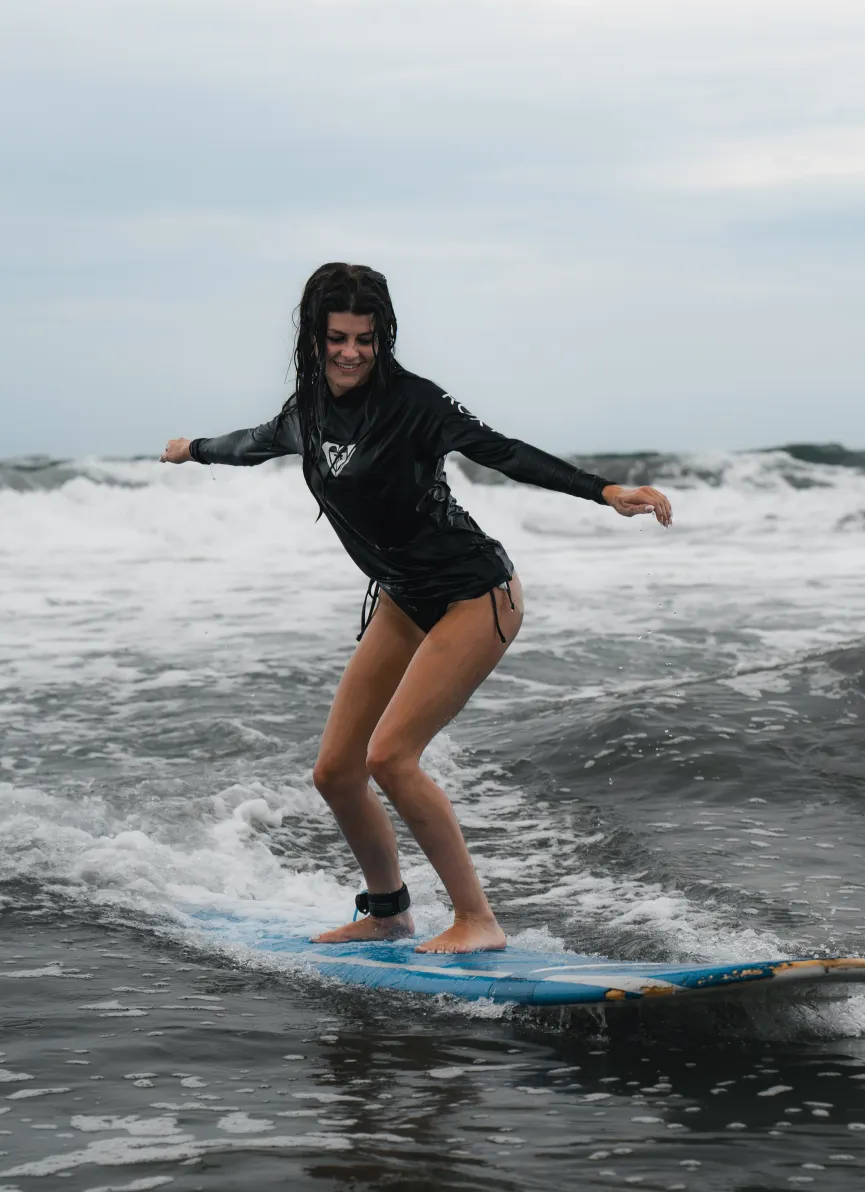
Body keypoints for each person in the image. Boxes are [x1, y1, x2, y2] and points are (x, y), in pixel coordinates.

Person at [161, 262, 672, 954]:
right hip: (403, 597)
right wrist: (193, 451)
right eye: (337, 338)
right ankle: (388, 913)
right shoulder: (305, 413)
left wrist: (604, 491)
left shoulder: (415, 404)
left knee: (392, 758)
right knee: (335, 772)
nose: (351, 353)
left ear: (383, 337)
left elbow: (504, 452)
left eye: (365, 339)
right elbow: (250, 445)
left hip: (475, 593)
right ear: (314, 338)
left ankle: (477, 920)